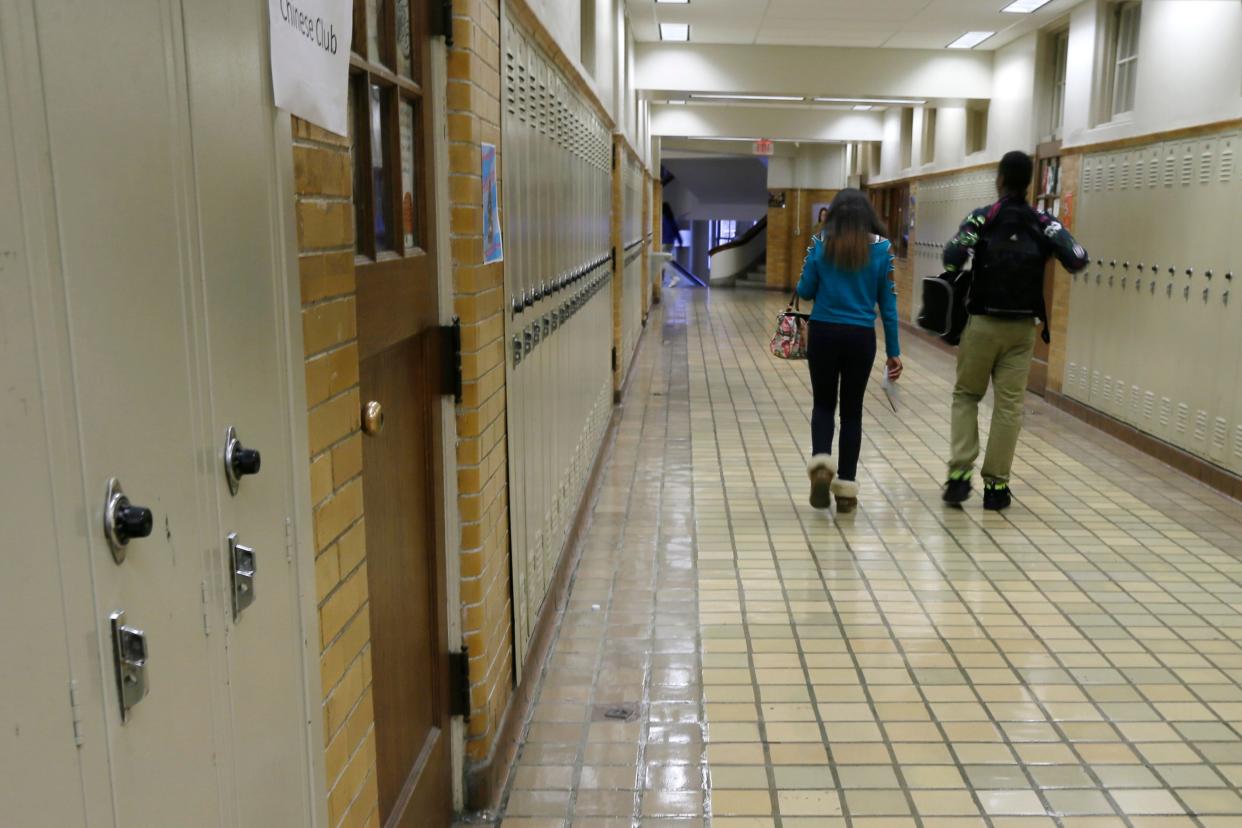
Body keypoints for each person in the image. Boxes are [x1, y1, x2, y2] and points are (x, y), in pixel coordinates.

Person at [942, 151, 1089, 510]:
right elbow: (1078, 257)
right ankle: (997, 486)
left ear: (1000, 180)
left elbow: (951, 255)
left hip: (982, 324)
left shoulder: (983, 217)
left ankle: (960, 475)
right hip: (1022, 329)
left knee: (967, 396)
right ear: (1031, 183)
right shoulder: (1043, 221)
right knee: (1009, 407)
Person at [797, 189, 902, 513]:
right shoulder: (883, 249)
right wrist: (894, 351)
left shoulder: (820, 244)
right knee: (852, 411)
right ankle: (846, 491)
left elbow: (805, 290)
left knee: (823, 404)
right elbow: (889, 303)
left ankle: (820, 466)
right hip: (861, 337)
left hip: (824, 333)